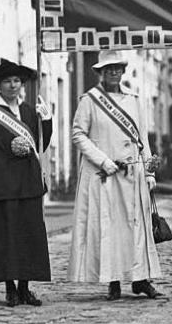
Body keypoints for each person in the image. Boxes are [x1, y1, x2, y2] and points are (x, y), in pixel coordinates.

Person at [69, 50, 163, 301]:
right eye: (108, 68)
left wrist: (149, 171)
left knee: (136, 228)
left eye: (117, 68)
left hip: (133, 174)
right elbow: (78, 134)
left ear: (123, 71)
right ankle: (112, 281)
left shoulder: (133, 100)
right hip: (105, 174)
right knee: (109, 228)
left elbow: (142, 138)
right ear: (100, 72)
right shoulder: (89, 100)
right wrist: (104, 160)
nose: (113, 72)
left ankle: (141, 279)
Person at [0, 59, 53, 307]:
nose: (12, 85)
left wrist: (47, 121)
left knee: (28, 235)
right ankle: (10, 288)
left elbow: (40, 145)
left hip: (28, 183)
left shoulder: (30, 111)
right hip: (2, 184)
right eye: (7, 81)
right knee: (6, 237)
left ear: (22, 84)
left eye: (17, 81)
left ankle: (25, 287)